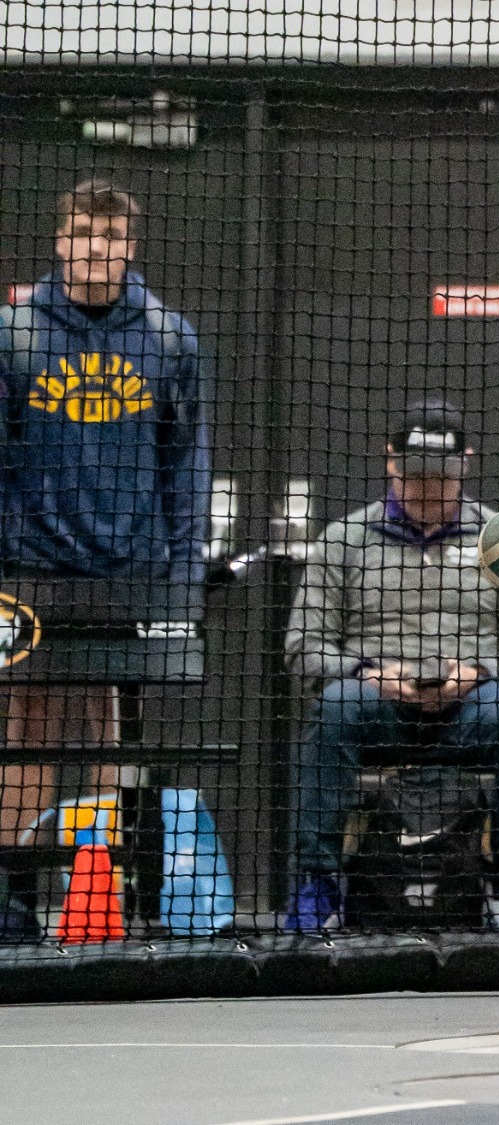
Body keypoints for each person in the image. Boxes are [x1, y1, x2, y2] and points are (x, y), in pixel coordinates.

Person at [0, 180, 210, 939]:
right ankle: (15, 897)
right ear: (60, 241)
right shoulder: (13, 334)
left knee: (111, 734)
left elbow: (185, 469)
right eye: (84, 232)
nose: (97, 247)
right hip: (31, 574)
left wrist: (185, 580)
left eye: (112, 235)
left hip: (132, 575)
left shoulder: (169, 338)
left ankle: (103, 894)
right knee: (27, 732)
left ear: (131, 246)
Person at [282, 401, 499, 931]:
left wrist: (476, 672)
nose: (427, 488)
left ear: (467, 465)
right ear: (391, 462)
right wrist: (368, 671)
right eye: (415, 474)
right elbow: (302, 646)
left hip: (474, 703)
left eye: (441, 476)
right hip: (376, 703)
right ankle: (316, 886)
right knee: (334, 708)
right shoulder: (343, 540)